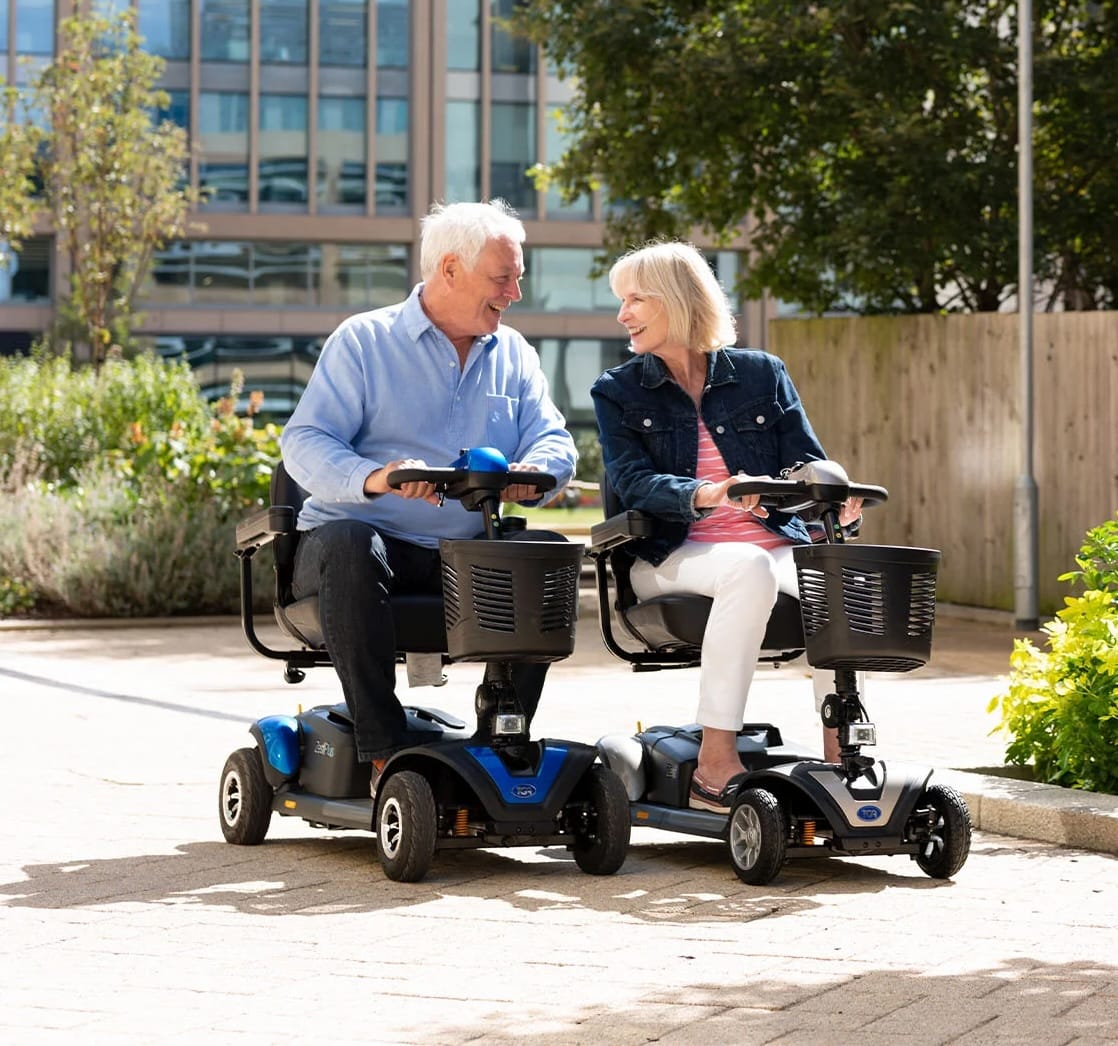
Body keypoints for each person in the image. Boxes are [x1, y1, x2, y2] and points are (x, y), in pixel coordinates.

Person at [281, 199, 577, 792]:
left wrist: (536, 471)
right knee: (350, 541)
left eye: (518, 277)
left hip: (458, 559)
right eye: (503, 278)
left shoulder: (514, 354)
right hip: (357, 550)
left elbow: (554, 439)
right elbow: (304, 441)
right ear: (449, 270)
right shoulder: (363, 341)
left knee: (543, 549)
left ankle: (503, 736)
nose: (515, 292)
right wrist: (376, 477)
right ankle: (385, 750)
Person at [591, 241, 862, 814]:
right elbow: (634, 482)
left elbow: (805, 463)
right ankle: (714, 763)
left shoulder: (762, 375)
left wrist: (832, 499)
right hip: (669, 554)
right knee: (748, 566)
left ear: (677, 301)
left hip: (772, 543)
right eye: (622, 301)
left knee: (834, 577)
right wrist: (705, 493)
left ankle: (844, 759)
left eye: (635, 299)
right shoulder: (617, 391)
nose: (623, 315)